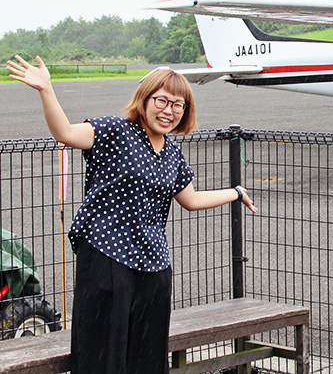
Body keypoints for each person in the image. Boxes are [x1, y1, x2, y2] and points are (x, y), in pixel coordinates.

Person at [5, 55, 258, 374]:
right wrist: (46, 89)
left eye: (177, 105)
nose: (168, 111)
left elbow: (190, 199)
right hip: (106, 257)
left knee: (148, 353)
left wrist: (235, 192)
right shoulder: (114, 130)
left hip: (153, 265)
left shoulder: (171, 153)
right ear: (145, 99)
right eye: (162, 101)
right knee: (103, 351)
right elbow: (66, 133)